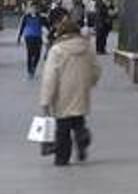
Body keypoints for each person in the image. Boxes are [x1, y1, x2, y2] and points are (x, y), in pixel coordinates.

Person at [40, 17, 101, 167]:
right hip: (81, 91)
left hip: (62, 94)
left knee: (63, 129)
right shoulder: (87, 47)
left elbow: (50, 77)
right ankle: (81, 138)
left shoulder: (57, 50)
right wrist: (90, 82)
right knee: (78, 120)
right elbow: (96, 69)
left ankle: (62, 158)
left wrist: (45, 100)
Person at [17, 3, 47, 78]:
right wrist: (19, 37)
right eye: (32, 8)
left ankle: (34, 66)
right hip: (29, 37)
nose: (33, 10)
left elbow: (47, 25)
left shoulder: (41, 17)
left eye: (35, 8)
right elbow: (22, 27)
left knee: (38, 54)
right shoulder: (26, 17)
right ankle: (30, 70)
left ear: (37, 9)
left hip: (38, 36)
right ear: (30, 9)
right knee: (30, 53)